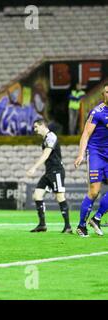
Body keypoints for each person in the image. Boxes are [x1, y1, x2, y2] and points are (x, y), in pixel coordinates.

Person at [74, 83, 108, 237]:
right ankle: (81, 226)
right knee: (94, 191)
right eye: (107, 92)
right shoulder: (97, 112)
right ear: (103, 94)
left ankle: (97, 218)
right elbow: (86, 134)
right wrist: (81, 154)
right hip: (96, 154)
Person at [26, 119, 72, 233]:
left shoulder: (51, 136)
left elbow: (46, 155)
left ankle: (68, 227)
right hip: (49, 172)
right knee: (37, 195)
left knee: (60, 197)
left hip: (56, 171)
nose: (35, 129)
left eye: (36, 127)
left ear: (42, 126)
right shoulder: (46, 138)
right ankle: (42, 225)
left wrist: (34, 167)